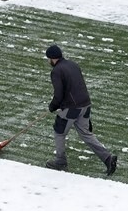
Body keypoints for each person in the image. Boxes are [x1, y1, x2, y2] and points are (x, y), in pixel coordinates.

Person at [44, 44, 118, 175]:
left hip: (72, 108)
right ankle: (108, 158)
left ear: (52, 58)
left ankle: (60, 162)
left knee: (59, 132)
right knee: (85, 134)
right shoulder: (73, 64)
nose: (48, 61)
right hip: (86, 104)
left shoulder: (56, 71)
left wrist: (52, 106)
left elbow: (58, 94)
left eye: (48, 59)